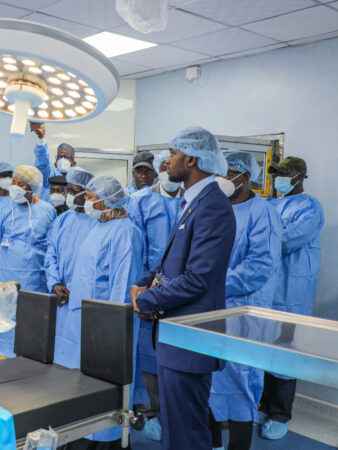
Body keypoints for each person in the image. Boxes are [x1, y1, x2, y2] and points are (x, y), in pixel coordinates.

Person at [131, 126, 235, 450]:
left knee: (187, 434)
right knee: (175, 431)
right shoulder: (191, 203)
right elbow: (169, 265)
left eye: (173, 154)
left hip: (190, 340)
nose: (168, 162)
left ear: (191, 159)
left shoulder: (212, 206)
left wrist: (147, 300)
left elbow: (197, 279)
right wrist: (143, 283)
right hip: (174, 336)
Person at [54, 174, 144, 448]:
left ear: (107, 201)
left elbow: (122, 287)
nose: (87, 203)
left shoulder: (125, 232)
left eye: (92, 198)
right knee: (83, 390)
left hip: (108, 328)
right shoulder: (99, 226)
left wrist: (110, 332)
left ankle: (106, 441)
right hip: (84, 321)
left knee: (106, 400)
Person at [208, 151, 282, 450]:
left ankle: (238, 445)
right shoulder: (216, 210)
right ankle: (212, 443)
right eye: (220, 174)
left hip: (244, 312)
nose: (222, 180)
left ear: (245, 177)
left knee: (242, 382)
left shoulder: (262, 213)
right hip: (212, 309)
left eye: (228, 175)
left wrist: (211, 284)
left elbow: (260, 267)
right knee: (210, 379)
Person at [258, 156, 324, 440]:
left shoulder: (310, 207)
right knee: (262, 349)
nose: (279, 179)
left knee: (285, 352)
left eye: (286, 174)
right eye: (277, 174)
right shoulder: (269, 205)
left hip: (293, 292)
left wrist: (261, 239)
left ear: (301, 176)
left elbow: (284, 241)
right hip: (267, 290)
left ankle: (280, 413)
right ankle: (263, 404)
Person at [126, 160, 181, 442]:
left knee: (181, 355)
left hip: (183, 292)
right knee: (149, 354)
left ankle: (179, 415)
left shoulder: (193, 199)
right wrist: (141, 290)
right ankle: (152, 412)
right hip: (149, 288)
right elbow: (137, 248)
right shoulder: (141, 201)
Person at [0, 165, 56, 359]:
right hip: (5, 274)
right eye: (14, 182)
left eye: (21, 184)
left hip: (35, 276)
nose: (15, 187)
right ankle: (1, 360)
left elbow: (50, 243)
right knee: (4, 318)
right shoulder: (1, 209)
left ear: (32, 188)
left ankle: (30, 364)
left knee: (31, 318)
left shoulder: (47, 210)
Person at [45, 167, 96, 306]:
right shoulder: (63, 219)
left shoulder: (99, 222)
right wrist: (54, 282)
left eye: (73, 191)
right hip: (61, 293)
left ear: (87, 193)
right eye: (68, 190)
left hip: (87, 297)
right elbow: (51, 253)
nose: (69, 195)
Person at [30, 121, 76, 202]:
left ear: (74, 163)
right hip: (48, 213)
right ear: (55, 164)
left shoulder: (77, 181)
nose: (62, 159)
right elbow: (43, 162)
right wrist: (41, 138)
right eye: (59, 157)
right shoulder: (50, 176)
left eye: (67, 156)